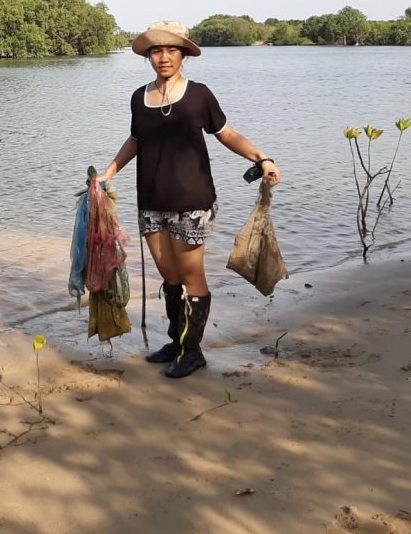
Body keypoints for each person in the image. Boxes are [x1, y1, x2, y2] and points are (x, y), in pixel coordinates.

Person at [97, 21, 281, 379]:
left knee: (191, 273)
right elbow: (135, 140)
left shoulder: (199, 95)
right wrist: (109, 172)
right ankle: (176, 340)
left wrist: (262, 157)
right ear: (148, 56)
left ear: (183, 55)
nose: (163, 57)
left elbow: (227, 134)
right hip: (150, 199)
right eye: (156, 51)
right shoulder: (139, 96)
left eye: (171, 50)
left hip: (192, 199)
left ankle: (192, 350)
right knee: (168, 273)